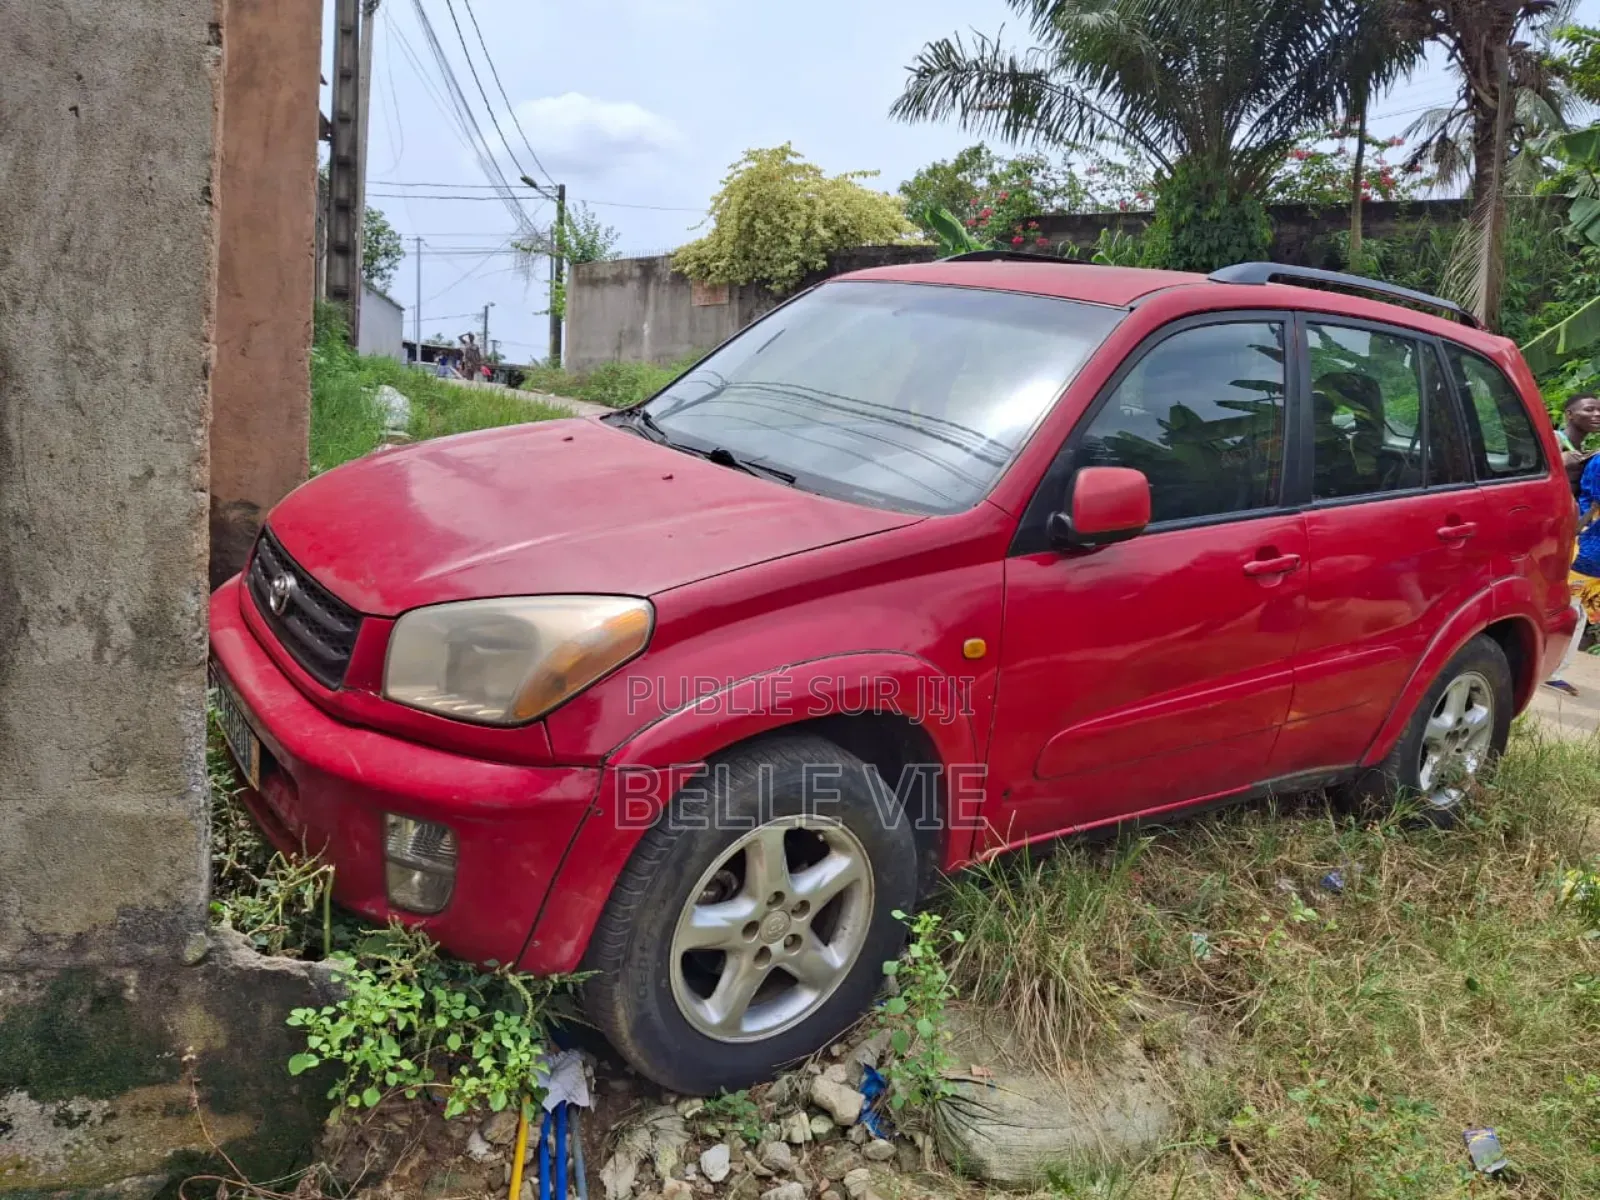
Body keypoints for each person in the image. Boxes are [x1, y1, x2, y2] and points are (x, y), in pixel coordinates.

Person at [1546, 395, 1600, 696]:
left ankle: (1551, 668)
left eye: (1599, 410)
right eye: (1589, 409)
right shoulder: (1554, 441)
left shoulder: (1585, 452)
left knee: (1572, 604)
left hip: (1570, 531)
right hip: (1557, 531)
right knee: (1567, 603)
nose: (1596, 414)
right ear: (1570, 413)